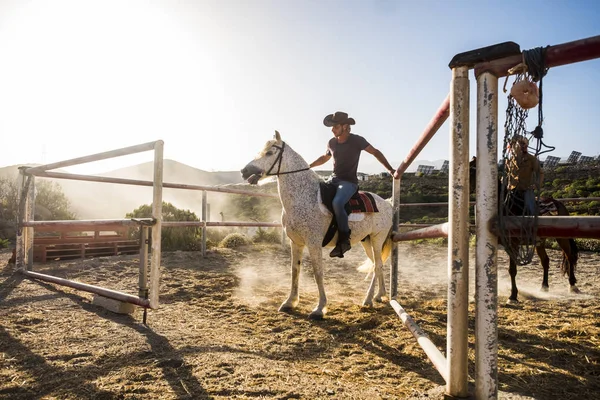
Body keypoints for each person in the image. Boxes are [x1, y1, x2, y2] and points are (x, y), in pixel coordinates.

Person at [309, 111, 397, 258]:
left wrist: (390, 169)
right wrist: (308, 166)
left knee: (338, 202)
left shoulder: (357, 141)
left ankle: (344, 240)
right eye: (332, 127)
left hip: (349, 183)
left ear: (345, 126)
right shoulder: (332, 142)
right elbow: (325, 157)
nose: (332, 129)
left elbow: (375, 152)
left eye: (335, 126)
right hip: (333, 179)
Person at [505, 134, 543, 215]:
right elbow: (509, 174)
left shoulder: (531, 159)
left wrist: (536, 185)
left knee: (531, 210)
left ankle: (535, 224)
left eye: (521, 143)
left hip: (526, 190)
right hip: (512, 191)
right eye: (513, 144)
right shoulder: (510, 161)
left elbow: (540, 173)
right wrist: (507, 184)